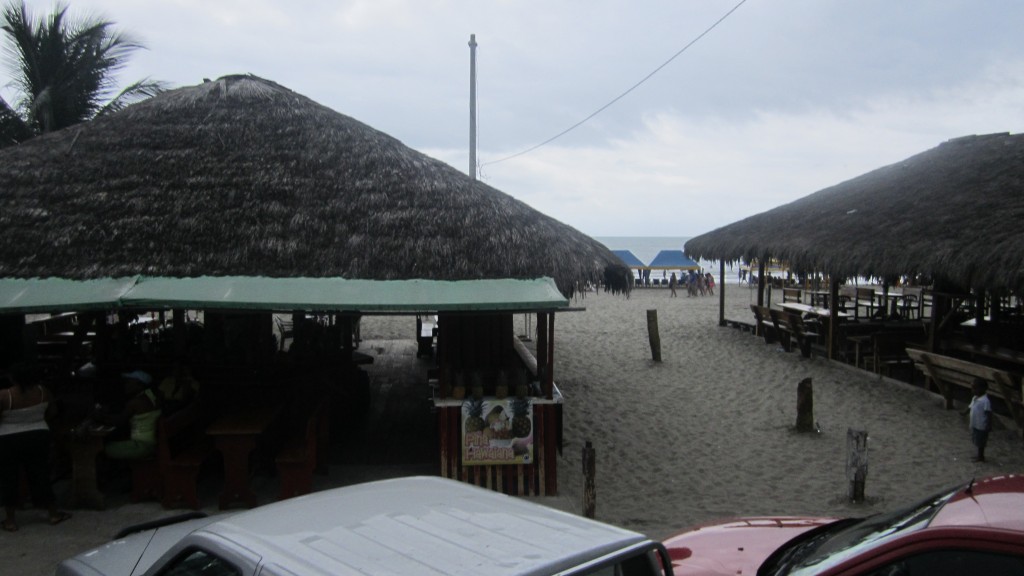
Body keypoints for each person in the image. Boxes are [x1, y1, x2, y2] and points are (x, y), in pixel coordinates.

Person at [0, 364, 72, 531]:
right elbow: (52, 412)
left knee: (9, 477)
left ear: (12, 378)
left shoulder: (5, 395)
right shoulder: (43, 392)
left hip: (8, 438)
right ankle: (53, 513)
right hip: (38, 435)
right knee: (40, 474)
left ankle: (10, 520)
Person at [97, 371, 162, 460]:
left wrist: (100, 415)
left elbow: (118, 421)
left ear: (139, 384)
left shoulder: (136, 402)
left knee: (103, 449)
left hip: (143, 446)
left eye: (128, 382)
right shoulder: (153, 396)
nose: (125, 385)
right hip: (153, 443)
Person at [963, 378, 992, 462]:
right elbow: (970, 407)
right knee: (976, 439)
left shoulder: (985, 401)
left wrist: (989, 424)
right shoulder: (975, 398)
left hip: (981, 425)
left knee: (981, 442)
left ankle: (981, 456)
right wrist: (965, 412)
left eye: (975, 388)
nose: (973, 390)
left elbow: (989, 413)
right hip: (975, 423)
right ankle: (979, 455)